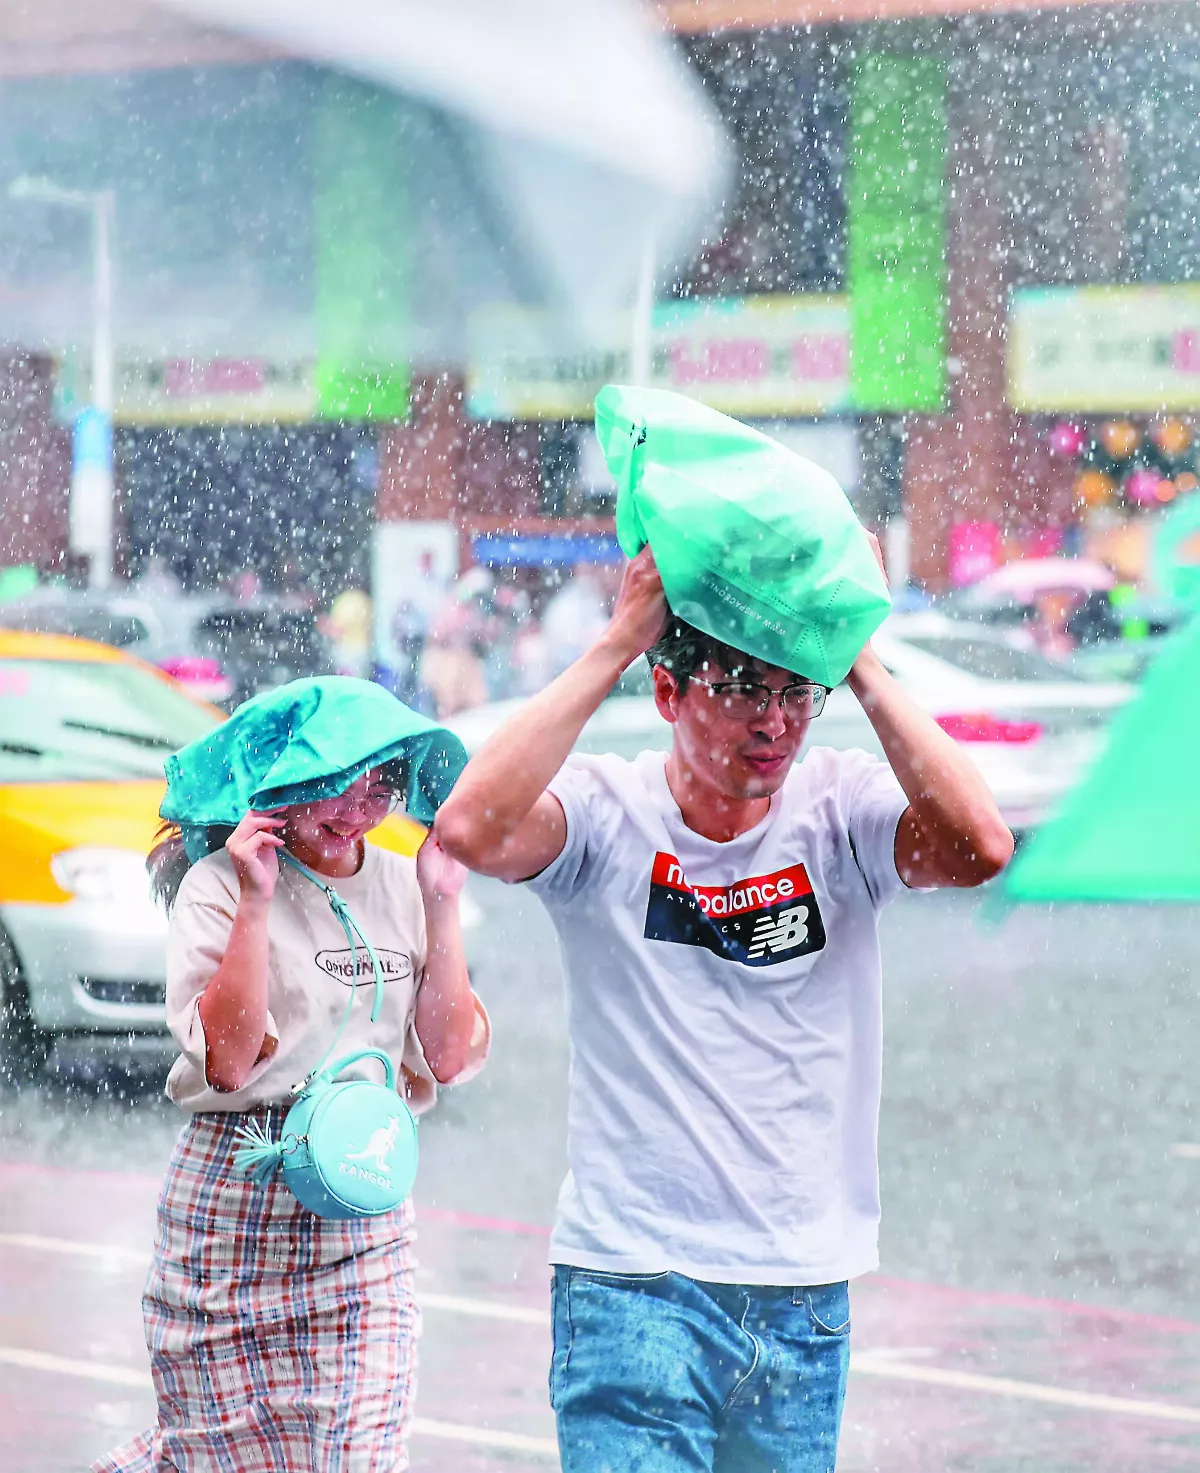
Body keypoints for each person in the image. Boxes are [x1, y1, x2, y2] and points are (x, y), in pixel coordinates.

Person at [434, 545, 1013, 1472]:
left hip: (801, 1288)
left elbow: (983, 845)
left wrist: (857, 651)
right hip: (634, 1285)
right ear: (669, 694)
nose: (774, 722)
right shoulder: (606, 815)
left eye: (796, 693)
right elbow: (468, 828)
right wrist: (618, 640)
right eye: (743, 690)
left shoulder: (841, 811)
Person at [95, 679, 489, 1473]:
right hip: (233, 1202)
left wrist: (442, 903)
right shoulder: (218, 885)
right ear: (290, 775)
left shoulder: (405, 882)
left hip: (361, 1202)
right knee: (219, 1457)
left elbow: (448, 1055)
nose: (359, 807)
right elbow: (231, 1059)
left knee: (356, 1455)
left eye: (382, 783)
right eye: (340, 780)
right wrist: (253, 899)